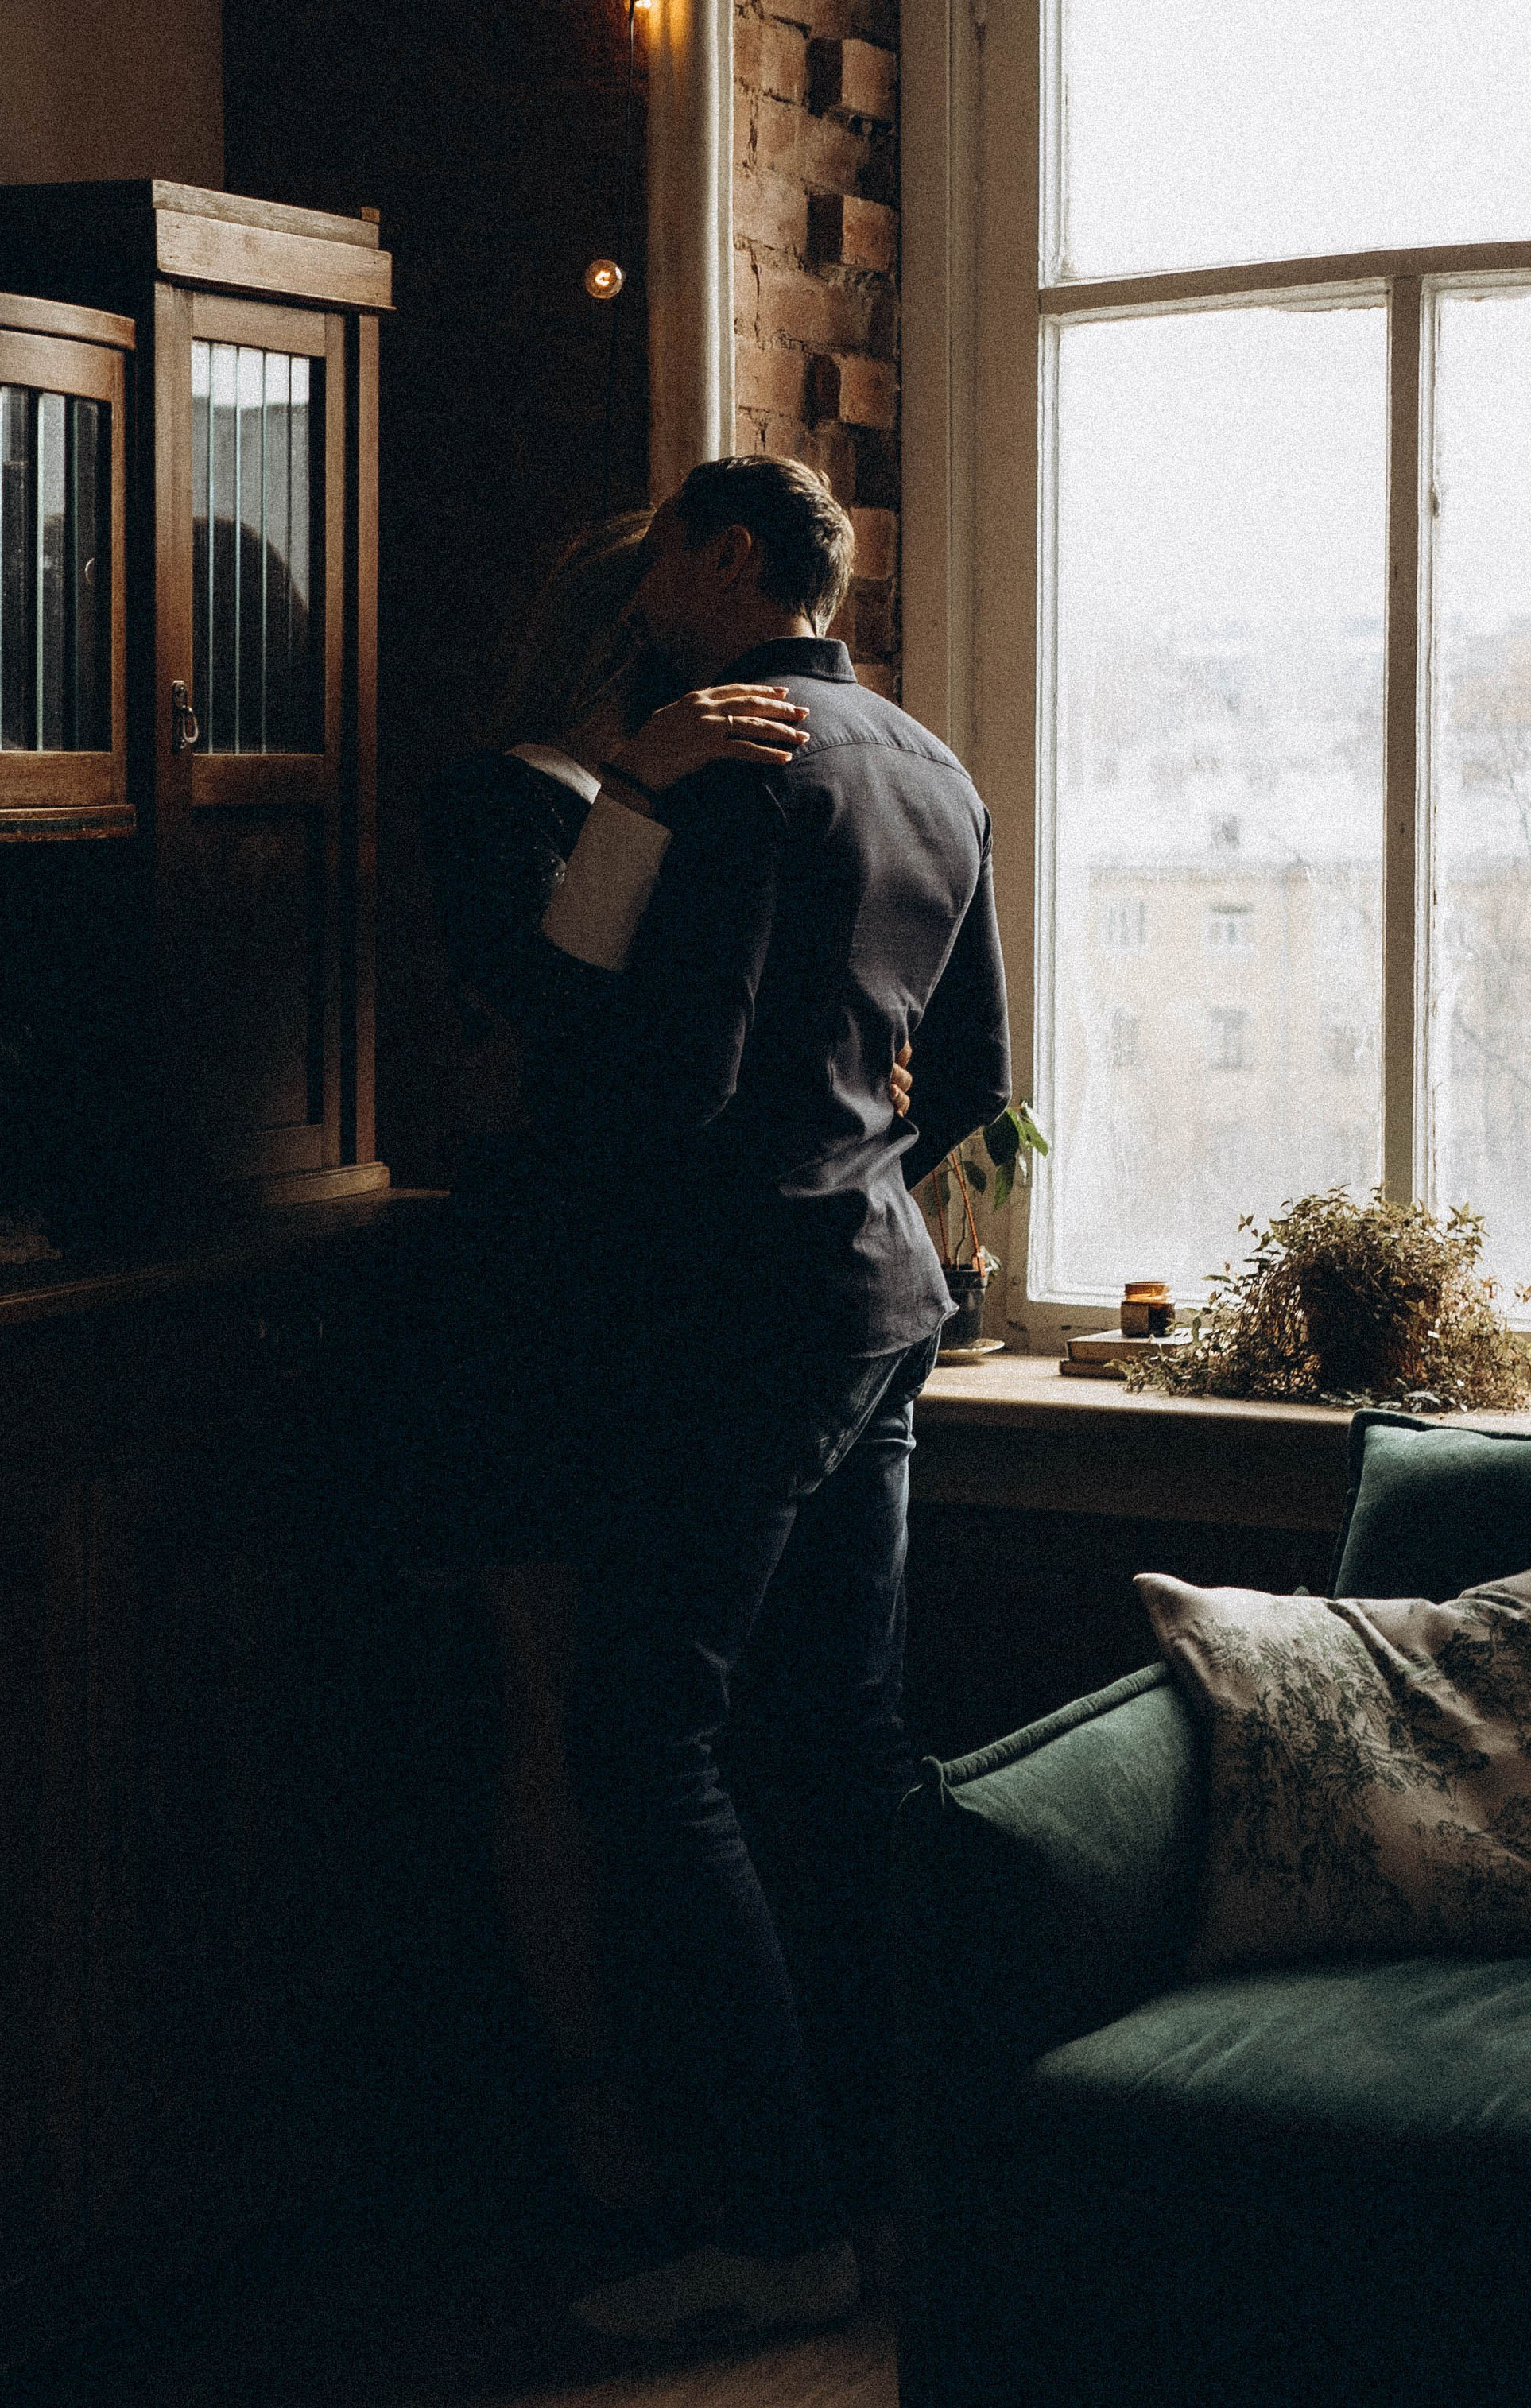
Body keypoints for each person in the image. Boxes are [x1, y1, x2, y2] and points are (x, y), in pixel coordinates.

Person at [535, 454, 1014, 2348]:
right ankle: (894, 2195)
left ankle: (770, 2214)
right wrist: (858, 1184)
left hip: (726, 1312)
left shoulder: (730, 751)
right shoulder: (929, 763)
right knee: (847, 1742)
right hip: (879, 1298)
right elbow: (968, 1069)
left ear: (729, 557)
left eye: (660, 548)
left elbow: (668, 1078)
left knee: (643, 1745)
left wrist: (603, 872)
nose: (647, 584)